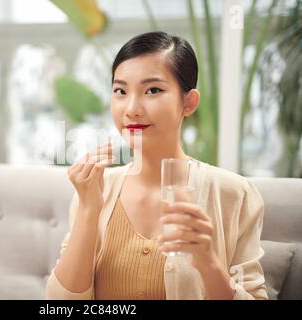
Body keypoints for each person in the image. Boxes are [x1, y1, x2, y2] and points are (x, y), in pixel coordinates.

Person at [46, 31, 268, 300]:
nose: (132, 109)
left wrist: (208, 263)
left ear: (188, 102)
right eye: (120, 91)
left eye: (153, 90)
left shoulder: (234, 194)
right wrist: (89, 209)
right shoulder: (95, 189)